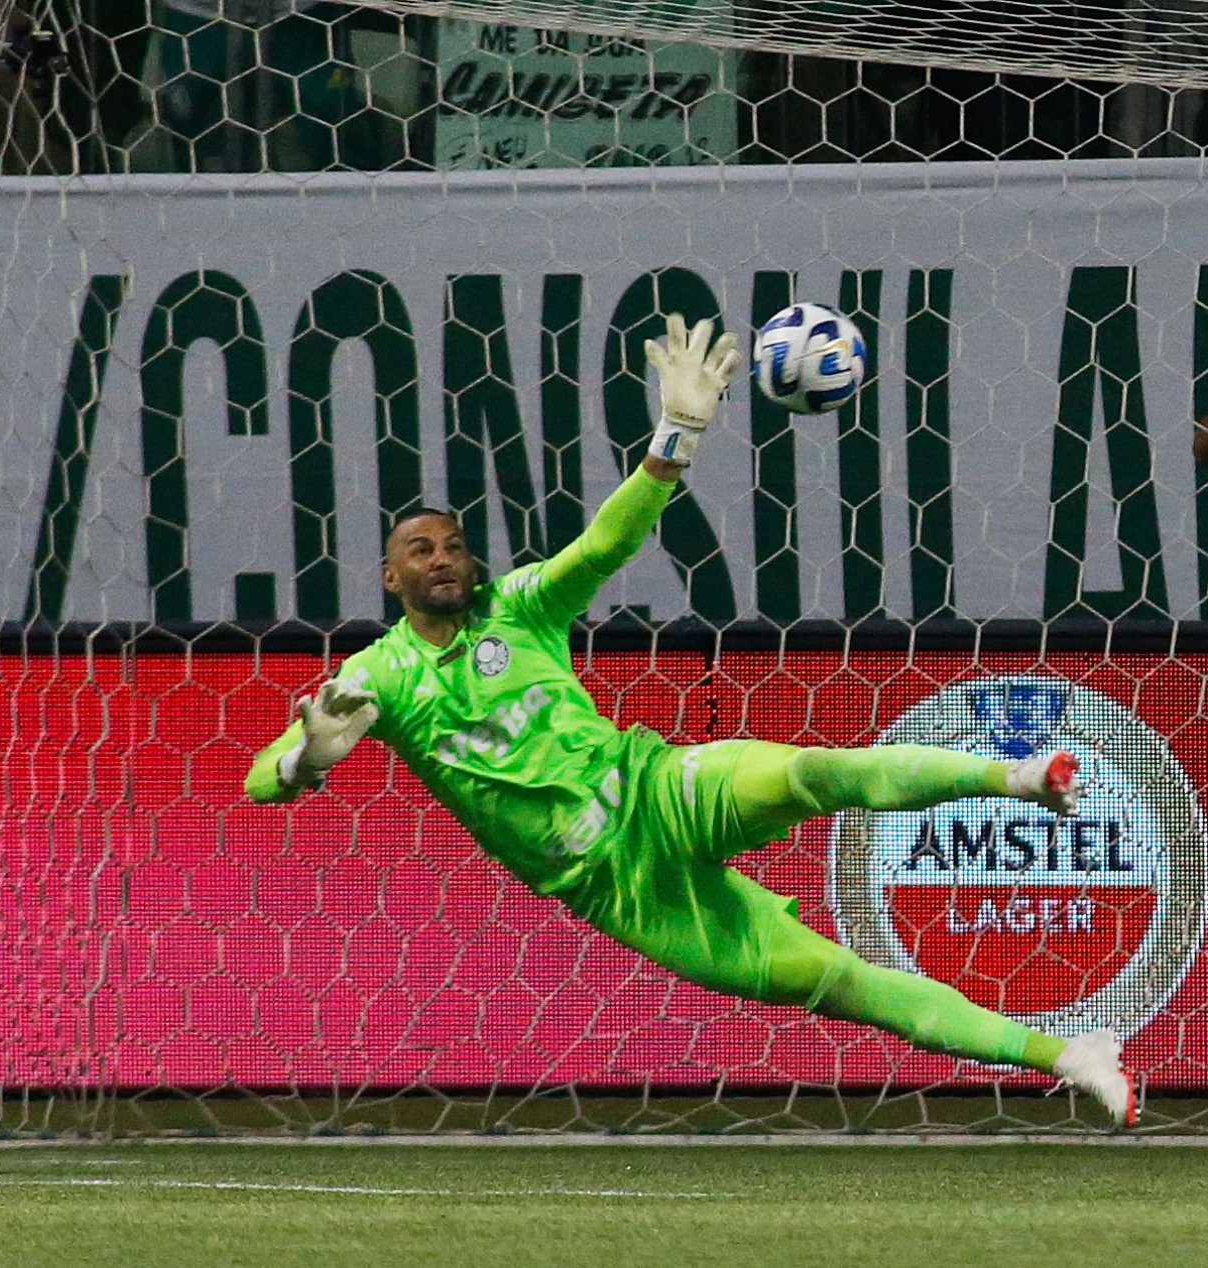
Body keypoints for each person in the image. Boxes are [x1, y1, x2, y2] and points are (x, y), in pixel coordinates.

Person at [244, 312, 1138, 1126]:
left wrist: (677, 436)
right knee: (836, 982)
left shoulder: (518, 608)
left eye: (452, 544)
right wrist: (303, 763)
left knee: (809, 774)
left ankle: (1014, 776)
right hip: (619, 888)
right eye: (419, 550)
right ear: (391, 579)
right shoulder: (372, 680)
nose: (443, 558)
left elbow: (606, 542)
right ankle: (1067, 1054)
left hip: (656, 787)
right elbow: (259, 781)